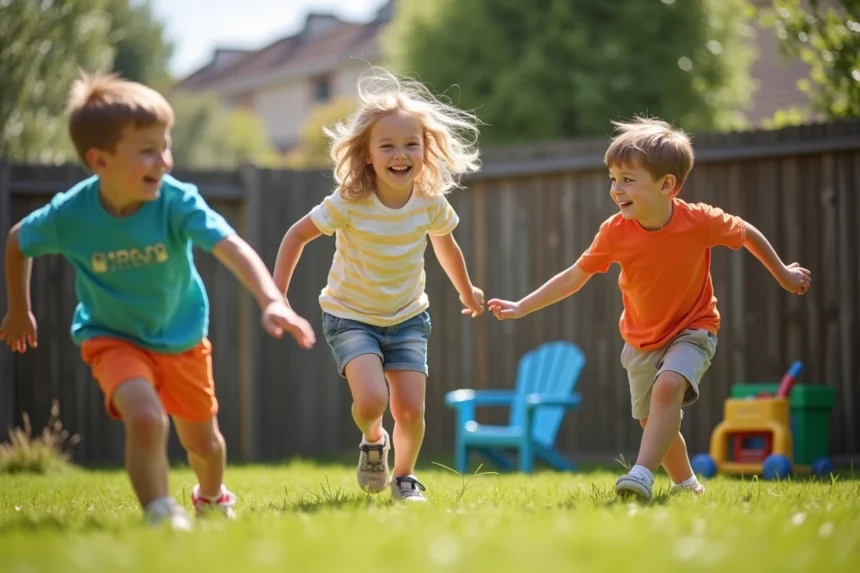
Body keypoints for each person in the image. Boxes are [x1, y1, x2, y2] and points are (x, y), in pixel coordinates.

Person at [0, 72, 316, 529]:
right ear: (100, 160)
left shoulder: (175, 202)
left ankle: (211, 496)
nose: (164, 161)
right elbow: (17, 240)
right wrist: (18, 308)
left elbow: (231, 247)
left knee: (204, 444)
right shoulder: (71, 215)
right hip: (112, 337)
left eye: (166, 146)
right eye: (148, 150)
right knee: (146, 418)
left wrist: (271, 299)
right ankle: (160, 511)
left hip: (182, 337)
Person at [488, 116, 811, 502]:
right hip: (641, 338)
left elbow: (746, 233)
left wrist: (784, 273)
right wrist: (522, 306)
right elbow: (575, 275)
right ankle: (687, 484)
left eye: (627, 179)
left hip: (694, 327)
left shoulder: (699, 221)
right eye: (613, 178)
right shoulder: (614, 232)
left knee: (668, 386)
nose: (616, 189)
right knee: (652, 418)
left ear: (666, 185)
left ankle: (640, 474)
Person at [273, 68, 484, 502]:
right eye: (387, 145)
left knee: (410, 410)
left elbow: (446, 247)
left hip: (408, 317)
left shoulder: (429, 201)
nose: (400, 154)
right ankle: (373, 440)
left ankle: (404, 477)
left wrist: (467, 290)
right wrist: (278, 296)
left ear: (425, 149)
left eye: (411, 144)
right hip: (350, 315)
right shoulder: (349, 201)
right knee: (371, 401)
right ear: (367, 154)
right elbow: (296, 235)